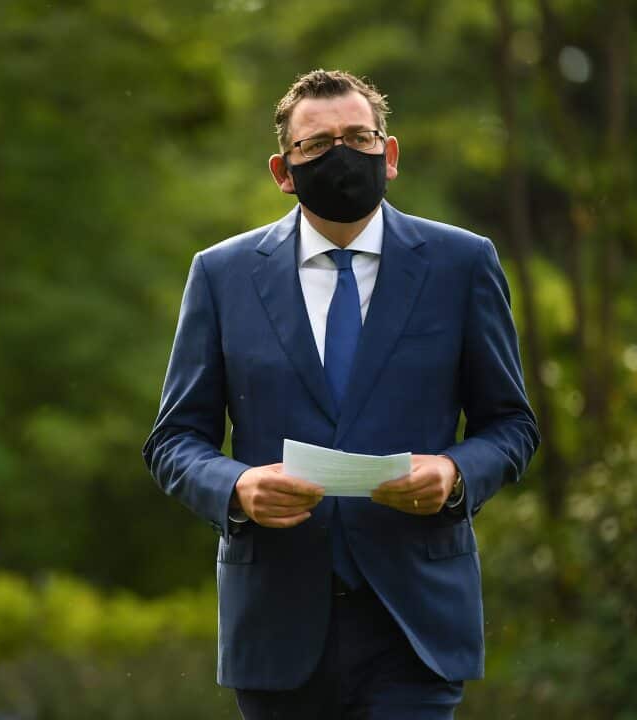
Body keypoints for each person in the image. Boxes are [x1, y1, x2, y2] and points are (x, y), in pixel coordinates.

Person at [143, 69, 539, 718]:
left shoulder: (463, 265)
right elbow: (173, 440)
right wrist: (236, 487)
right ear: (282, 170)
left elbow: (512, 424)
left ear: (390, 154)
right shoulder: (221, 275)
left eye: (359, 137)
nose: (342, 154)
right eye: (318, 144)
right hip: (276, 626)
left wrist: (455, 471)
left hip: (417, 621)